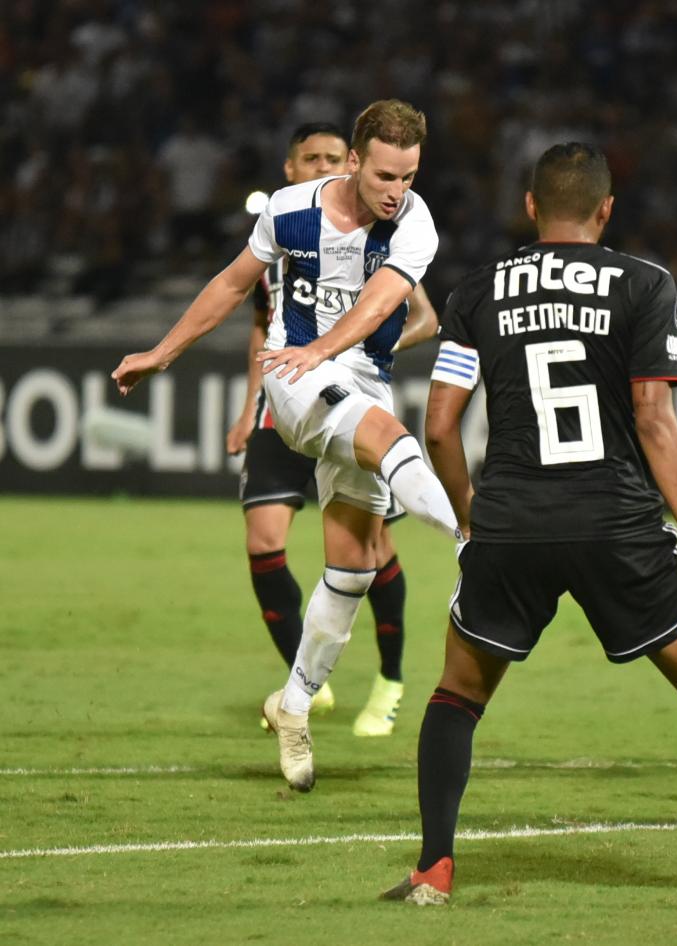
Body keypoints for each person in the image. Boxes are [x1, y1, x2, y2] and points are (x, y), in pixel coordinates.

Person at [378, 142, 677, 907]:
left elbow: (440, 426)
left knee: (458, 693)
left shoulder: (477, 291)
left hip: (512, 525)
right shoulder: (643, 285)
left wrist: (473, 521)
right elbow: (655, 419)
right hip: (616, 524)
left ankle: (432, 870)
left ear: (532, 206)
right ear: (607, 210)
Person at [112, 99, 458, 792]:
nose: (398, 191)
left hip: (359, 375)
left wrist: (329, 350)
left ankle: (293, 704)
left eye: (410, 176)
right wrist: (164, 350)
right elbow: (234, 283)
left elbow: (383, 303)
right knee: (388, 438)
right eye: (387, 175)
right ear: (356, 161)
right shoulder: (290, 209)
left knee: (353, 565)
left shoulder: (415, 224)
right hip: (294, 380)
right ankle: (475, 539)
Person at [225, 121, 441, 738]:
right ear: (290, 170)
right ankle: (304, 684)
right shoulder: (283, 232)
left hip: (345, 391)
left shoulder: (387, 231)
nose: (322, 166)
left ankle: (391, 679)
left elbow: (416, 313)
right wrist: (248, 408)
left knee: (369, 555)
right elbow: (262, 332)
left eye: (330, 157)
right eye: (310, 158)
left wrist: (361, 352)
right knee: (264, 540)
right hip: (284, 399)